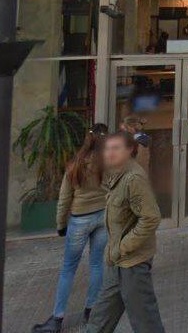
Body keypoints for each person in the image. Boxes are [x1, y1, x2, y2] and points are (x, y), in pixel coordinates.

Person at [31, 123, 109, 332]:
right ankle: (91, 310)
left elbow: (64, 198)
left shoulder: (76, 164)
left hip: (80, 218)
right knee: (96, 264)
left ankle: (57, 318)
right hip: (102, 216)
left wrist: (60, 224)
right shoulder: (109, 163)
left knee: (68, 269)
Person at [86, 131, 164, 333]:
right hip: (117, 261)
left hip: (133, 262)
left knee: (145, 322)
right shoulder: (117, 174)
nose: (110, 153)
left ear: (130, 150)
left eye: (116, 148)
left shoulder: (133, 178)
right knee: (100, 317)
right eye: (107, 148)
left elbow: (150, 218)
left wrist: (122, 247)